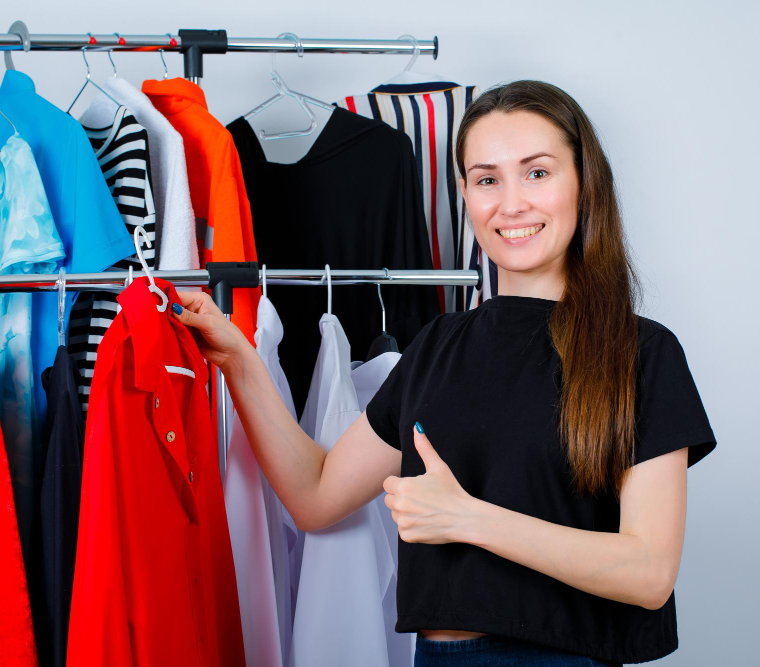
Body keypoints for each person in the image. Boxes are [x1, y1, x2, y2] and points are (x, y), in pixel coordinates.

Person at [171, 80, 717, 667]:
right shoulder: (437, 346)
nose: (511, 204)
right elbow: (317, 495)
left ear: (584, 181)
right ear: (464, 193)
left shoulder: (644, 353)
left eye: (537, 173)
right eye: (487, 179)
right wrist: (240, 363)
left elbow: (648, 572)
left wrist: (469, 518)